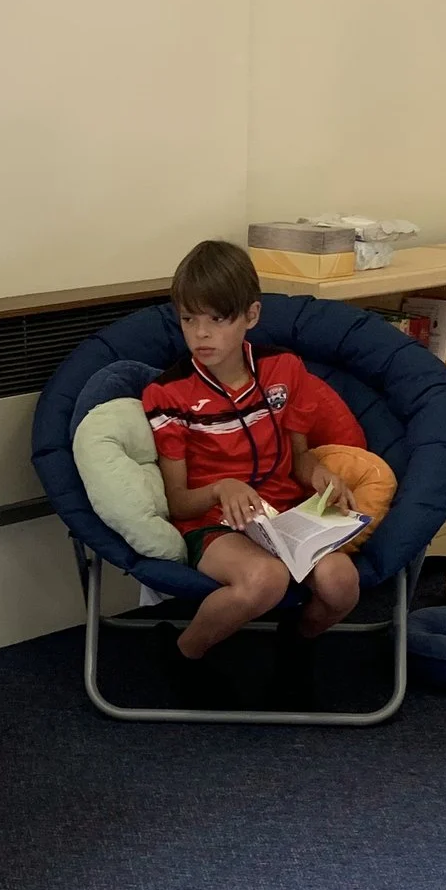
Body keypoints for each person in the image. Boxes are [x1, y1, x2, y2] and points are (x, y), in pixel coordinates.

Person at [144, 239, 361, 663]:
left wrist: (320, 477)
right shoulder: (167, 394)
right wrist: (221, 488)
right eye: (189, 319)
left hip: (283, 517)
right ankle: (184, 654)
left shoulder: (284, 369)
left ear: (251, 316)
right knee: (265, 579)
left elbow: (299, 457)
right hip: (213, 524)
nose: (201, 333)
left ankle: (294, 645)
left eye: (218, 319)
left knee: (341, 584)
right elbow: (177, 501)